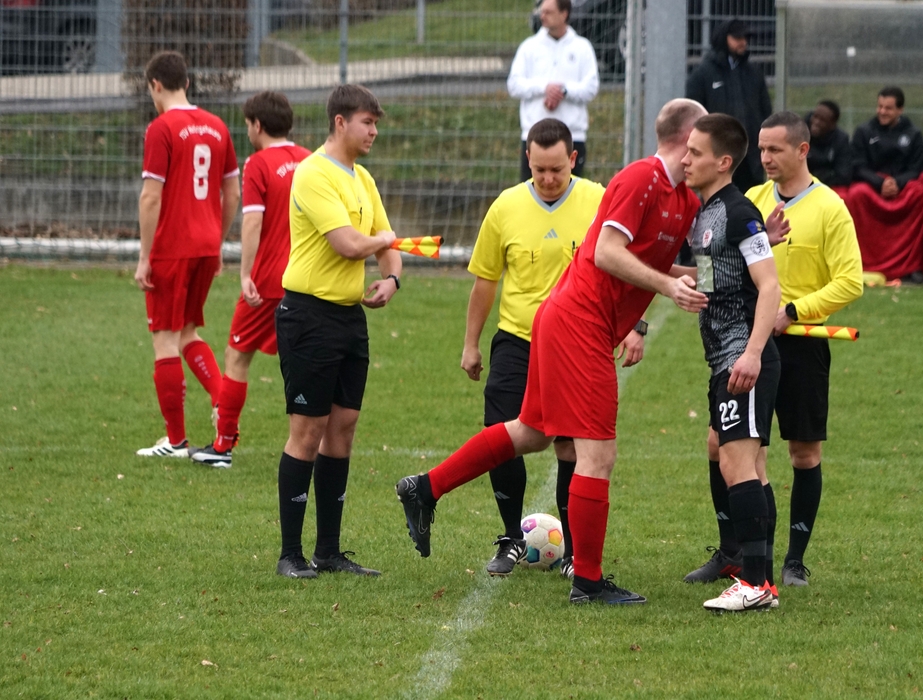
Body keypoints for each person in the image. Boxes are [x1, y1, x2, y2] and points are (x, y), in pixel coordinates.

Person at [397, 98, 710, 606]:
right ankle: (587, 581)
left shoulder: (683, 197)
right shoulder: (641, 178)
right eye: (703, 140)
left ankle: (425, 488)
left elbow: (650, 263)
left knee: (533, 432)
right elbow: (606, 252)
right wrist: (668, 288)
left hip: (569, 319)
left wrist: (726, 262)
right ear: (687, 137)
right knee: (597, 454)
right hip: (579, 323)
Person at [684, 111, 863, 588]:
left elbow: (850, 281)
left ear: (802, 150)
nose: (765, 158)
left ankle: (793, 561)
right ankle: (735, 554)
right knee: (730, 449)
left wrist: (795, 311)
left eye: (775, 149)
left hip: (800, 344)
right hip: (748, 342)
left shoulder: (830, 208)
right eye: (761, 149)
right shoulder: (750, 201)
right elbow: (729, 263)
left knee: (802, 453)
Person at [461, 117, 626, 578]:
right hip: (517, 339)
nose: (549, 179)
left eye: (557, 169)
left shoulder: (597, 200)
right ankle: (511, 537)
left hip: (577, 341)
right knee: (501, 436)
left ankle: (574, 553)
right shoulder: (506, 207)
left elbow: (622, 267)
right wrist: (471, 343)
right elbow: (485, 280)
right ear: (527, 159)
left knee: (571, 446)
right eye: (539, 170)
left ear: (573, 158)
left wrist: (634, 326)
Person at [273, 84, 401, 579]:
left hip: (349, 317)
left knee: (342, 428)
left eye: (376, 124)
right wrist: (383, 241)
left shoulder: (362, 177)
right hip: (308, 316)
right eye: (367, 122)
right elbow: (348, 244)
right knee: (307, 432)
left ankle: (328, 551)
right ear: (340, 122)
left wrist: (391, 278)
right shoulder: (312, 173)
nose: (374, 132)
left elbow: (387, 247)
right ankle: (290, 554)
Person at [680, 113, 783, 611]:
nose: (685, 160)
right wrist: (652, 275)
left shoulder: (739, 212)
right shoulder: (706, 216)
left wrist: (753, 353)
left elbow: (770, 285)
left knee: (737, 462)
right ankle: (755, 574)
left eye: (695, 153)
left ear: (723, 162)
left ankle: (755, 584)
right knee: (741, 460)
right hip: (723, 357)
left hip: (743, 358)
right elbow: (711, 281)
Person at [189, 92, 311, 468]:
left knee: (237, 356)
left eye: (247, 125)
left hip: (268, 282)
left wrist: (245, 273)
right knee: (304, 363)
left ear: (257, 125)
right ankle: (316, 445)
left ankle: (223, 446)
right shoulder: (310, 159)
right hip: (307, 279)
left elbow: (253, 221)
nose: (247, 132)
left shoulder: (258, 163)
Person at [134, 50, 240, 458]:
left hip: (172, 247)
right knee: (187, 333)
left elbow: (151, 197)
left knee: (165, 339)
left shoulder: (161, 128)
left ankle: (176, 441)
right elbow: (232, 192)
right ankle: (222, 402)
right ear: (188, 83)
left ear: (155, 85)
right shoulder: (217, 126)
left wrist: (145, 256)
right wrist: (217, 239)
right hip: (206, 245)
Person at [507, 0, 599, 183]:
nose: (542, 16)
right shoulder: (529, 47)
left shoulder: (582, 47)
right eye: (542, 12)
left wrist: (564, 91)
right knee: (532, 194)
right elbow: (514, 85)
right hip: (533, 137)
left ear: (564, 14)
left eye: (548, 12)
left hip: (573, 136)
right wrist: (545, 88)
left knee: (570, 194)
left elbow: (591, 87)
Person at [685, 19, 772, 193]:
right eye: (737, 38)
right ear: (723, 38)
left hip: (750, 160)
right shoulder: (703, 74)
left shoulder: (754, 73)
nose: (743, 42)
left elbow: (765, 110)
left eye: (745, 38)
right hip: (717, 155)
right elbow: (694, 115)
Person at [851, 87, 923, 199]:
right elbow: (858, 166)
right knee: (857, 192)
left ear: (900, 110)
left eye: (888, 108)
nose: (882, 112)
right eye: (880, 106)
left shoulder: (914, 134)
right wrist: (880, 182)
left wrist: (897, 182)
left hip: (902, 185)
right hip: (872, 184)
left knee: (919, 191)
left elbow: (916, 169)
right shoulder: (863, 131)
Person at [806, 100, 852, 188]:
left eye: (822, 120)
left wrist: (815, 178)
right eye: (815, 116)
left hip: (825, 186)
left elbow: (844, 176)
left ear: (832, 125)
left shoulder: (840, 140)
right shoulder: (801, 131)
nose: (816, 122)